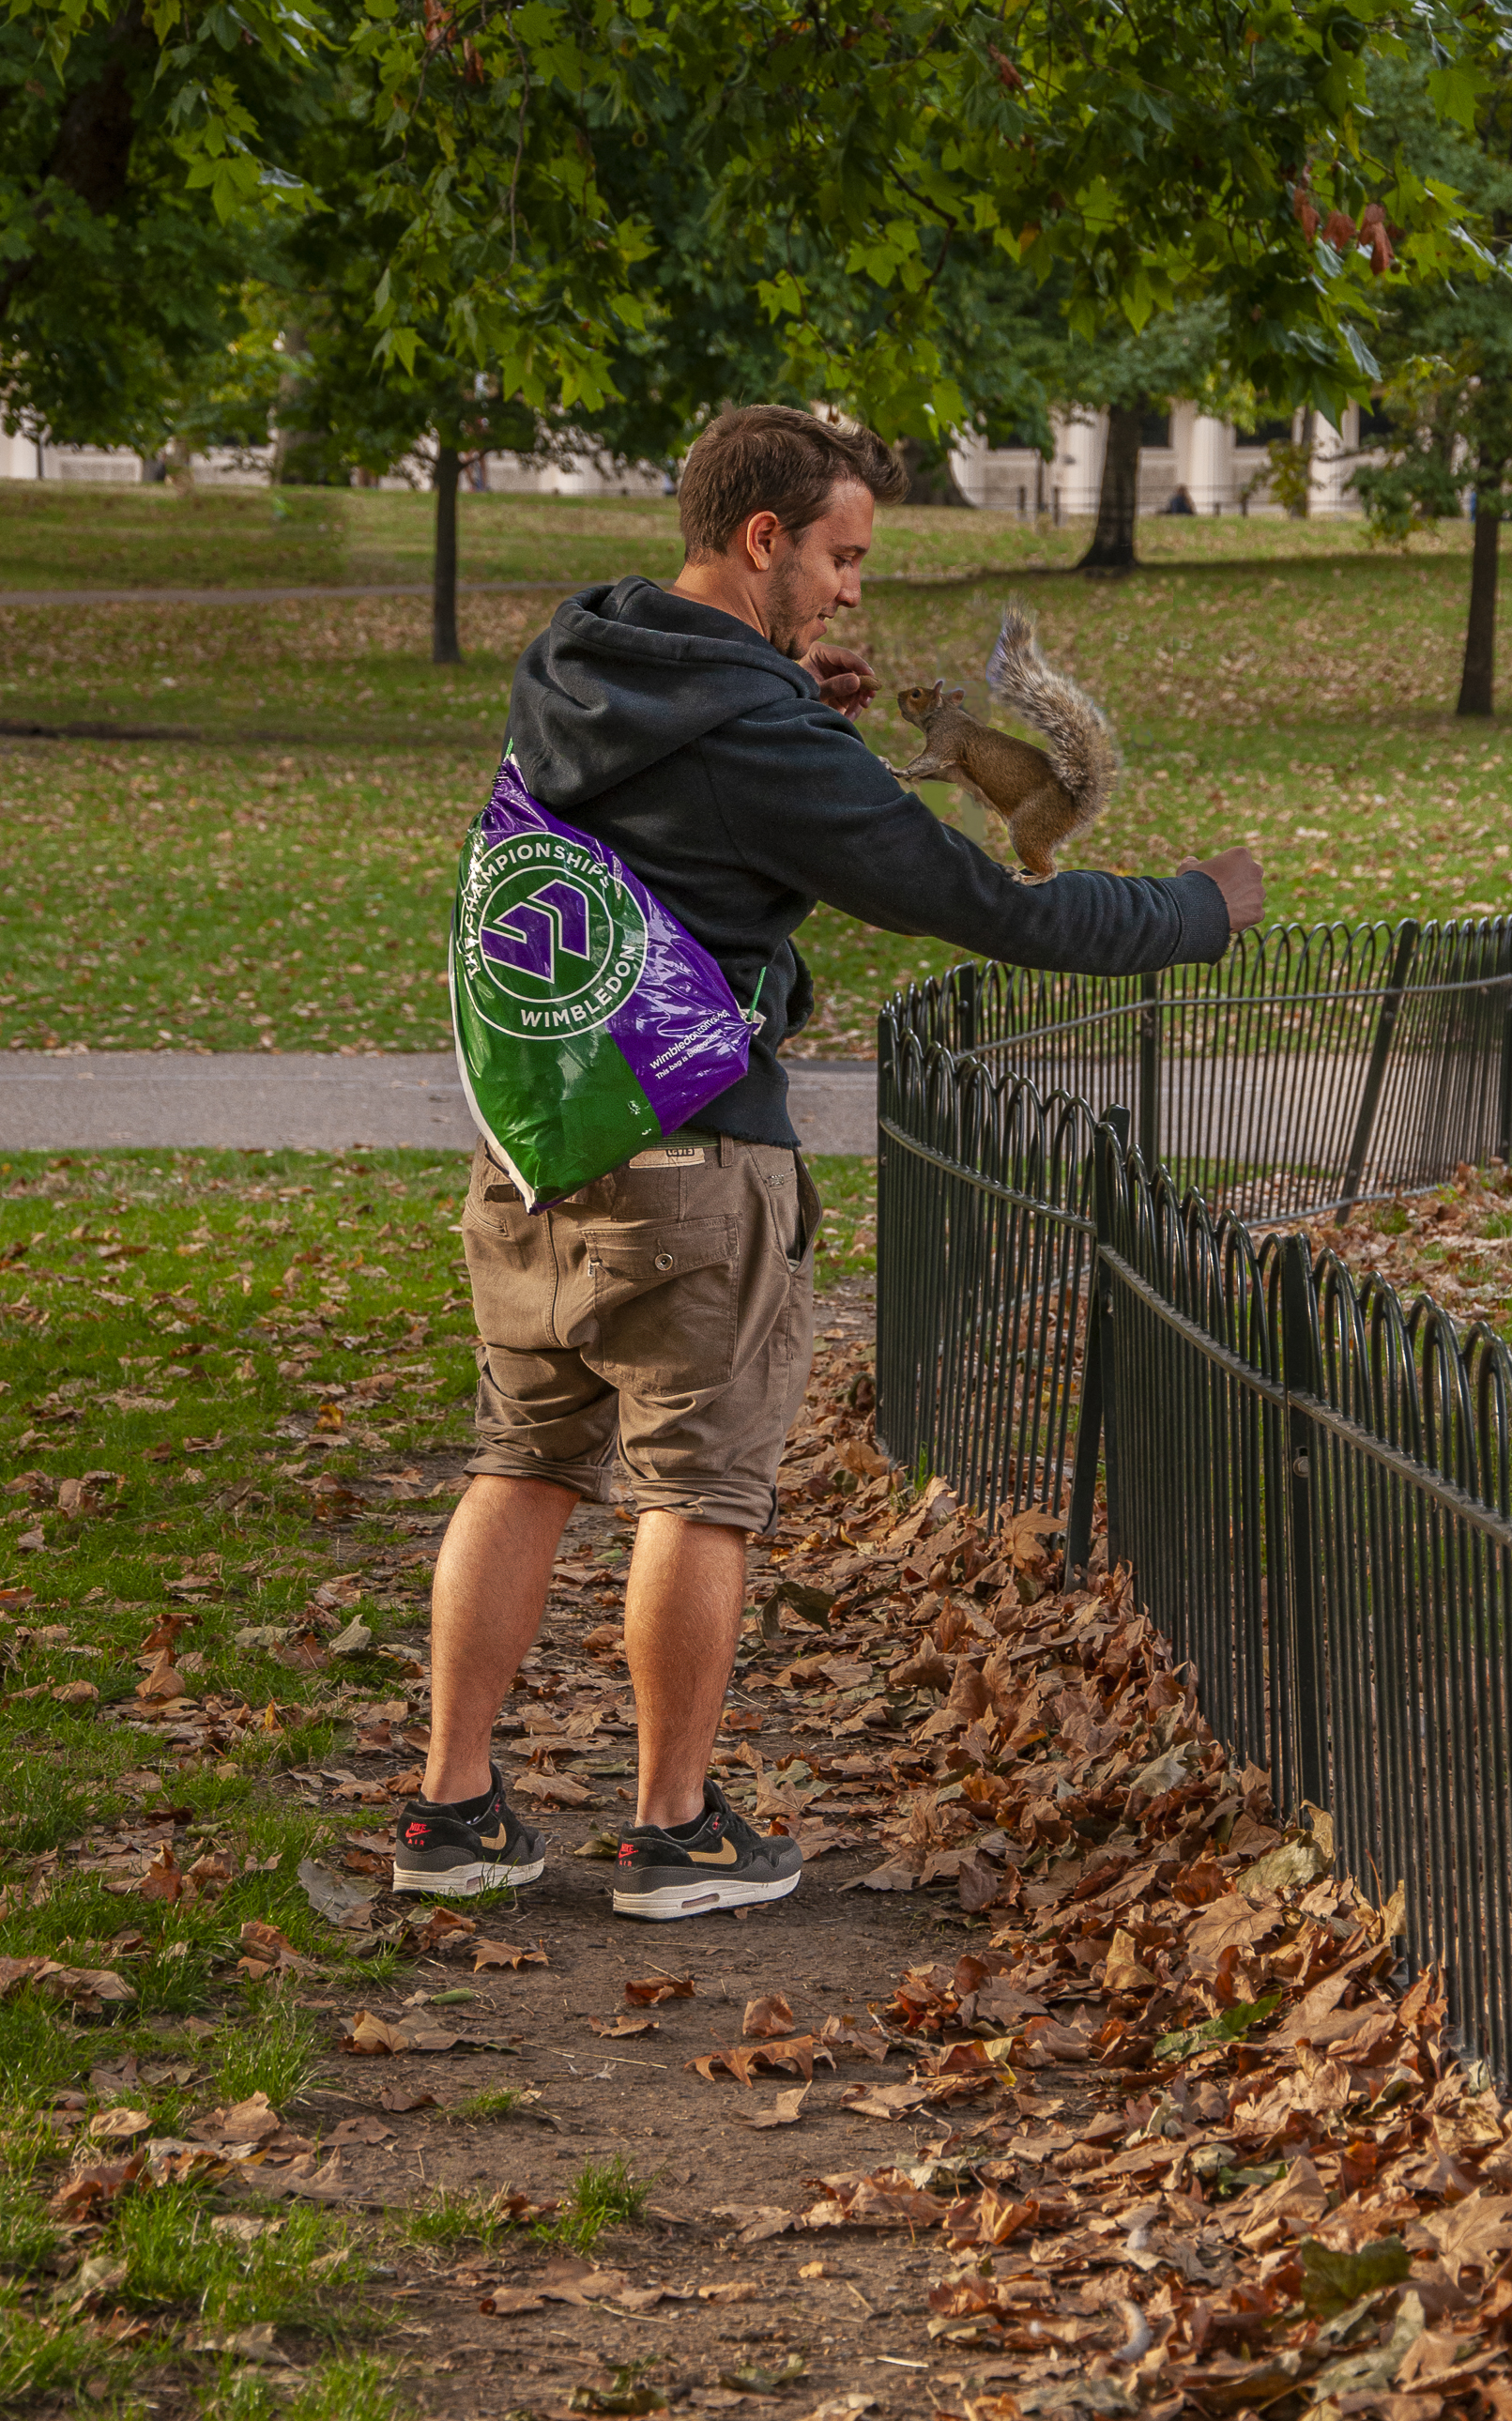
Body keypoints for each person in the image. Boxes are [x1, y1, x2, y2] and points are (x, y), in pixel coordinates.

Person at [393, 404, 1264, 1923]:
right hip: (688, 1165)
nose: (854, 589)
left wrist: (792, 692)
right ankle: (673, 1835)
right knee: (700, 1494)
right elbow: (990, 907)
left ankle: (449, 1816)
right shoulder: (759, 742)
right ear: (761, 540)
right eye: (841, 557)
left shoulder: (581, 664)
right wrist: (1196, 907)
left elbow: (683, 811)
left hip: (532, 1141)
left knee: (519, 1464)